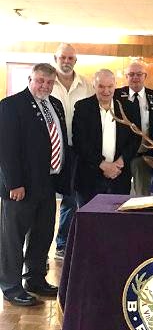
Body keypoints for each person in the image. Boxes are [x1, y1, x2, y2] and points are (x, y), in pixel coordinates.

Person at [0, 63, 69, 306]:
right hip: (21, 187)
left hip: (47, 183)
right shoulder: (11, 105)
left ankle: (35, 279)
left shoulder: (55, 105)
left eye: (49, 82)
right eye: (40, 80)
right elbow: (6, 149)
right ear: (30, 78)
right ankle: (10, 285)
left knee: (42, 234)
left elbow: (59, 140)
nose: (45, 86)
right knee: (13, 238)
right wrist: (14, 183)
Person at [51, 43, 93, 261]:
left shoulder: (86, 85)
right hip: (54, 148)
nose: (66, 62)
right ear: (55, 58)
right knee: (60, 198)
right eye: (62, 58)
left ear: (75, 61)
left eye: (70, 58)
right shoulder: (48, 83)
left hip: (81, 148)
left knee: (77, 197)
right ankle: (60, 244)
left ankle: (75, 242)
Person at [72, 69, 137, 207]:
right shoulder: (82, 107)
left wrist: (120, 162)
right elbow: (80, 142)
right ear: (94, 86)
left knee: (117, 222)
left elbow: (135, 139)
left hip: (120, 176)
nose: (106, 91)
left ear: (115, 85)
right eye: (101, 86)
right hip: (89, 177)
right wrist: (103, 165)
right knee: (89, 222)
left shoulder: (128, 107)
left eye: (110, 86)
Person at [115, 61, 153, 196]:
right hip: (122, 154)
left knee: (148, 191)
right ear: (126, 76)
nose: (135, 77)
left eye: (139, 74)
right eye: (131, 74)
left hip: (149, 153)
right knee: (121, 193)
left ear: (145, 76)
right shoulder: (116, 96)